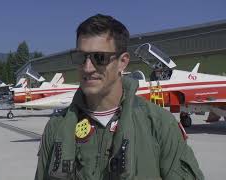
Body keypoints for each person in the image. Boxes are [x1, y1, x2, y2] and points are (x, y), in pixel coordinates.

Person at [35, 14, 204, 180]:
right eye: (81, 57)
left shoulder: (158, 124)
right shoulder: (57, 128)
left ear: (122, 62)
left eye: (99, 58)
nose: (87, 68)